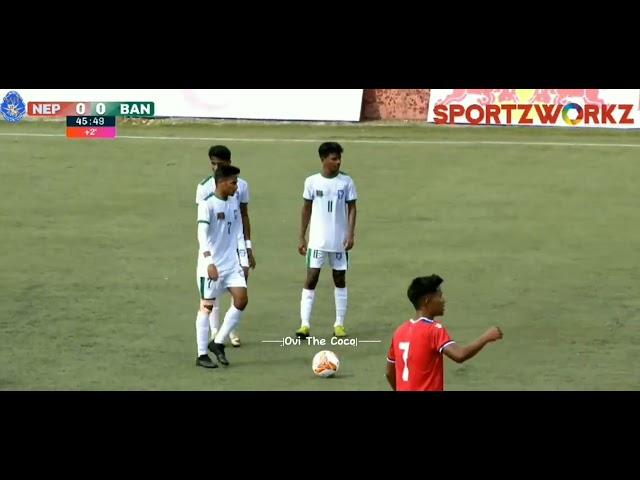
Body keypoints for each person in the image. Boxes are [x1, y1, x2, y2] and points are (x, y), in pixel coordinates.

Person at [386, 275, 503, 391]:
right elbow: (459, 355)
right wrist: (486, 337)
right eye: (439, 296)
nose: (443, 300)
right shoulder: (433, 329)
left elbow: (389, 373)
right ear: (427, 300)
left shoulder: (399, 331)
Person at [196, 145, 255, 347]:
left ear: (229, 163)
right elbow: (205, 224)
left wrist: (247, 247)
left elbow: (243, 216)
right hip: (214, 250)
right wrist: (208, 257)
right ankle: (214, 333)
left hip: (233, 247)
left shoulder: (241, 186)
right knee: (212, 296)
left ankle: (228, 331)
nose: (215, 167)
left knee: (238, 289)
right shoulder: (203, 188)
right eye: (212, 163)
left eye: (219, 164)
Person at [296, 142, 357, 339]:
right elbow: (306, 209)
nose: (338, 162)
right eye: (334, 158)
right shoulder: (311, 182)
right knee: (311, 277)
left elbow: (352, 208)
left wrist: (350, 233)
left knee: (339, 279)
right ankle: (304, 324)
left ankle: (339, 324)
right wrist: (301, 236)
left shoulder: (346, 182)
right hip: (317, 241)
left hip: (339, 241)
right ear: (323, 159)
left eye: (339, 158)